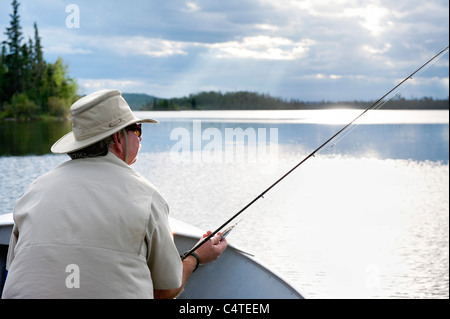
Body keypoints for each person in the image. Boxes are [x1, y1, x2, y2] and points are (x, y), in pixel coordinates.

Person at [2, 89, 227, 299]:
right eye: (137, 130)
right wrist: (196, 257)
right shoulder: (146, 196)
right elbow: (164, 290)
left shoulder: (34, 190)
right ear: (118, 138)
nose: (140, 138)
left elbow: (14, 268)